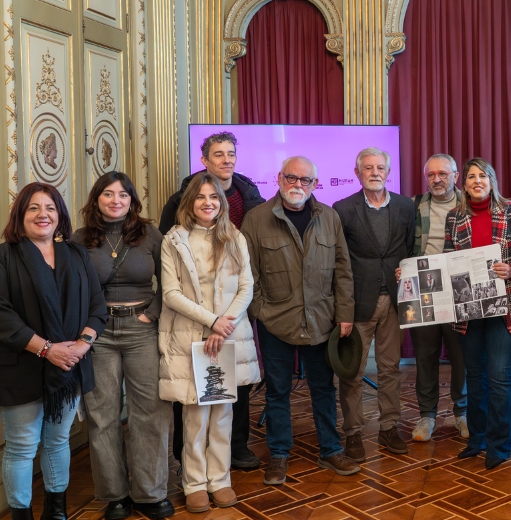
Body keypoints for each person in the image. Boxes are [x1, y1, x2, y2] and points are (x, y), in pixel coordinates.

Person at [0, 183, 107, 520]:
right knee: (22, 448)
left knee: (58, 442)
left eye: (49, 207)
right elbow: (0, 316)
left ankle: (56, 516)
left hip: (69, 366)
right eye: (32, 208)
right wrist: (48, 349)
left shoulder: (77, 254)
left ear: (60, 215)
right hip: (22, 368)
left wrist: (81, 344)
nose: (42, 214)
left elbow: (97, 306)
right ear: (20, 216)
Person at [243, 156, 359, 482]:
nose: (298, 184)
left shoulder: (330, 217)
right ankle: (279, 455)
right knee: (277, 391)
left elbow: (343, 271)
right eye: (291, 177)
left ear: (314, 184)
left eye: (305, 180)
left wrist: (345, 315)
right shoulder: (256, 219)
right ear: (279, 179)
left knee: (323, 388)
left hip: (322, 320)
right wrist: (261, 312)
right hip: (275, 322)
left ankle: (331, 450)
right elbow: (248, 276)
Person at [160, 131, 266, 472]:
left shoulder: (250, 197)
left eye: (231, 153)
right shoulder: (178, 210)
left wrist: (226, 321)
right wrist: (211, 321)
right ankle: (189, 464)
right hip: (193, 322)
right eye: (218, 154)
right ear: (204, 159)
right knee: (191, 398)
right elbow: (170, 279)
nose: (226, 159)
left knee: (233, 391)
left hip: (233, 319)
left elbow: (247, 279)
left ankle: (234, 452)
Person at [74, 172, 173, 520]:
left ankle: (150, 492)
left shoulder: (149, 234)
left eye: (123, 195)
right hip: (99, 332)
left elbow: (171, 280)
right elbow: (75, 288)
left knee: (151, 411)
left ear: (132, 200)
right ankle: (115, 494)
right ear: (96, 198)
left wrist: (153, 313)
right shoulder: (81, 239)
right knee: (102, 415)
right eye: (108, 194)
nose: (116, 200)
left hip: (141, 328)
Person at [447, 158, 511, 470]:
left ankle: (499, 445)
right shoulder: (454, 216)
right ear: (464, 183)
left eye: (483, 176)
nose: (477, 181)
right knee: (475, 376)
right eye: (471, 177)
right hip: (468, 308)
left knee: (498, 377)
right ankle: (477, 439)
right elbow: (446, 257)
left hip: (504, 308)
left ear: (492, 180)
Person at [332, 148, 416, 460]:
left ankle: (389, 427)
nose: (375, 172)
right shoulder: (343, 209)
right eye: (368, 168)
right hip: (358, 303)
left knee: (390, 368)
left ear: (388, 171)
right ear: (358, 173)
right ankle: (353, 432)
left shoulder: (406, 206)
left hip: (395, 300)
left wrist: (404, 268)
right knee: (352, 372)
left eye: (380, 167)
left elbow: (409, 247)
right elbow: (339, 260)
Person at [409, 154, 469, 442]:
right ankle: (426, 416)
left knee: (462, 357)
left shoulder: (470, 204)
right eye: (431, 174)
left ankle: (463, 413)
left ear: (455, 176)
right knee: (426, 356)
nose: (437, 179)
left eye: (443, 174)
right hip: (424, 291)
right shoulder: (413, 206)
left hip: (460, 289)